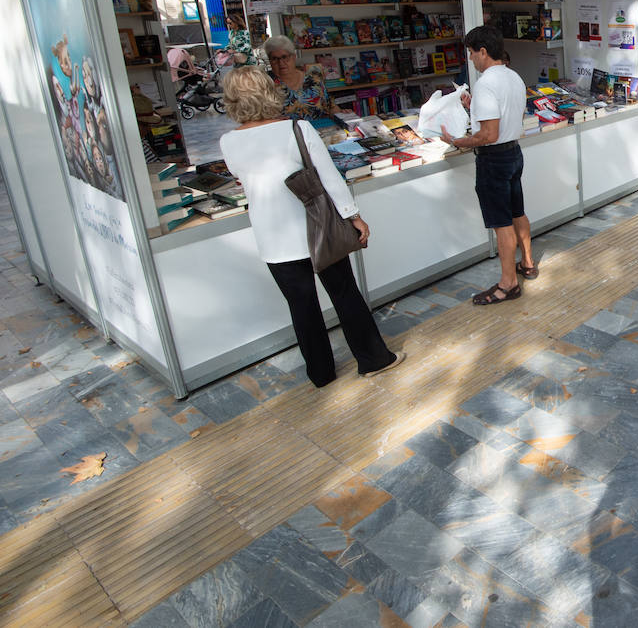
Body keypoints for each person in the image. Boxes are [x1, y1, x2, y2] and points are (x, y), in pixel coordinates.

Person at [218, 67, 402, 387]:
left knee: (301, 306)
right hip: (317, 226)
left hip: (271, 236)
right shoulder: (296, 129)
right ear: (269, 91)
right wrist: (353, 216)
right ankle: (373, 358)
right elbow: (329, 177)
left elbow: (242, 179)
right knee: (344, 293)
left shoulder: (228, 142)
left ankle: (321, 373)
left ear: (232, 99)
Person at [438, 25, 534, 304]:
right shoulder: (513, 76)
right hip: (514, 153)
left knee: (502, 224)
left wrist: (458, 141)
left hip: (494, 159)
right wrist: (474, 108)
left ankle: (508, 284)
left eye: (471, 52)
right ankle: (527, 263)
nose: (470, 59)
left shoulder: (485, 84)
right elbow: (505, 115)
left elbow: (488, 135)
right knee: (517, 212)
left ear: (483, 51)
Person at [263, 35, 339, 124]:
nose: (281, 63)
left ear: (294, 57)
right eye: (274, 59)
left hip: (320, 129)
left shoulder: (314, 80)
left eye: (284, 57)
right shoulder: (264, 84)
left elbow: (331, 106)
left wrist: (343, 114)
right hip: (285, 132)